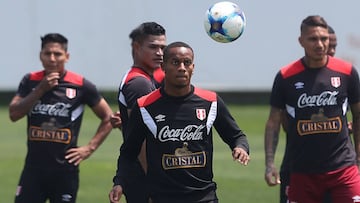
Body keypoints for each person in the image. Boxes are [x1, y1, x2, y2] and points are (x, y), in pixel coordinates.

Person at [109, 41, 250, 203]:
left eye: (187, 63)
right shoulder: (145, 106)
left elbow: (237, 136)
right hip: (163, 198)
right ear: (163, 67)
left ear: (193, 68)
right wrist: (119, 182)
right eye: (175, 62)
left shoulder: (211, 102)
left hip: (204, 198)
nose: (182, 67)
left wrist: (240, 148)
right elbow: (128, 152)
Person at [264, 15, 360, 203]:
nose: (320, 44)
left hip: (343, 170)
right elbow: (274, 122)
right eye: (313, 39)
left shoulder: (347, 72)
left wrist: (359, 159)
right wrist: (269, 164)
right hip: (302, 171)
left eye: (324, 39)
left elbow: (358, 116)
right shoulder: (286, 76)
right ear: (301, 41)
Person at [9, 33, 113, 203]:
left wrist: (89, 148)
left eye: (57, 54)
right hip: (33, 170)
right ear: (40, 55)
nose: (52, 58)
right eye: (47, 53)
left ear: (67, 56)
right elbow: (14, 114)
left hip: (65, 172)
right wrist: (40, 90)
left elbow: (108, 117)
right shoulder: (30, 81)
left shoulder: (80, 85)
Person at [277, 24, 339, 203]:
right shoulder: (292, 77)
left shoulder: (342, 77)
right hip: (297, 164)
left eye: (333, 45)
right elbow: (282, 122)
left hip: (336, 167)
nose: (329, 49)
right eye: (315, 40)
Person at [109, 22, 167, 203]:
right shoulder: (139, 84)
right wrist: (152, 182)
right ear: (136, 47)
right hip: (144, 175)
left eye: (162, 47)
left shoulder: (142, 77)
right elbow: (143, 138)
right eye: (153, 47)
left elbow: (134, 130)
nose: (160, 53)